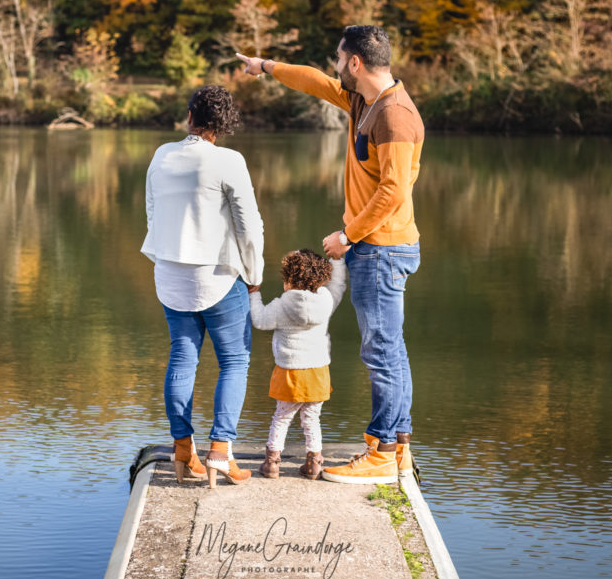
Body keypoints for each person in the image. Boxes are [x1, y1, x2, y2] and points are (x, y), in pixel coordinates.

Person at [236, 25, 423, 484]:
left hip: (381, 249)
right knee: (390, 350)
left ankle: (379, 451)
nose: (336, 66)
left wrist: (348, 235)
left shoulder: (394, 117)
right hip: (376, 247)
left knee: (381, 352)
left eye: (340, 58)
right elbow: (316, 82)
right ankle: (397, 447)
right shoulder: (365, 100)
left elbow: (394, 191)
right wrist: (266, 66)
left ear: (355, 62)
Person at [140, 85, 264, 488]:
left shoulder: (162, 155)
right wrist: (255, 273)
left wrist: (167, 258)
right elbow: (248, 226)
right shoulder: (229, 160)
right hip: (218, 276)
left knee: (182, 356)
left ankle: (181, 450)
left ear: (190, 116)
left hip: (170, 276)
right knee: (235, 361)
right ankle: (220, 454)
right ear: (223, 124)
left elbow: (152, 212)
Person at [249, 249, 347, 481]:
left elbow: (260, 320)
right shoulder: (326, 301)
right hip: (318, 372)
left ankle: (272, 463)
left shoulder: (282, 305)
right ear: (321, 278)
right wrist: (338, 261)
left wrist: (254, 294)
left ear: (289, 279)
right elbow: (339, 287)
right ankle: (314, 463)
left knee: (282, 418)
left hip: (289, 371)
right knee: (312, 419)